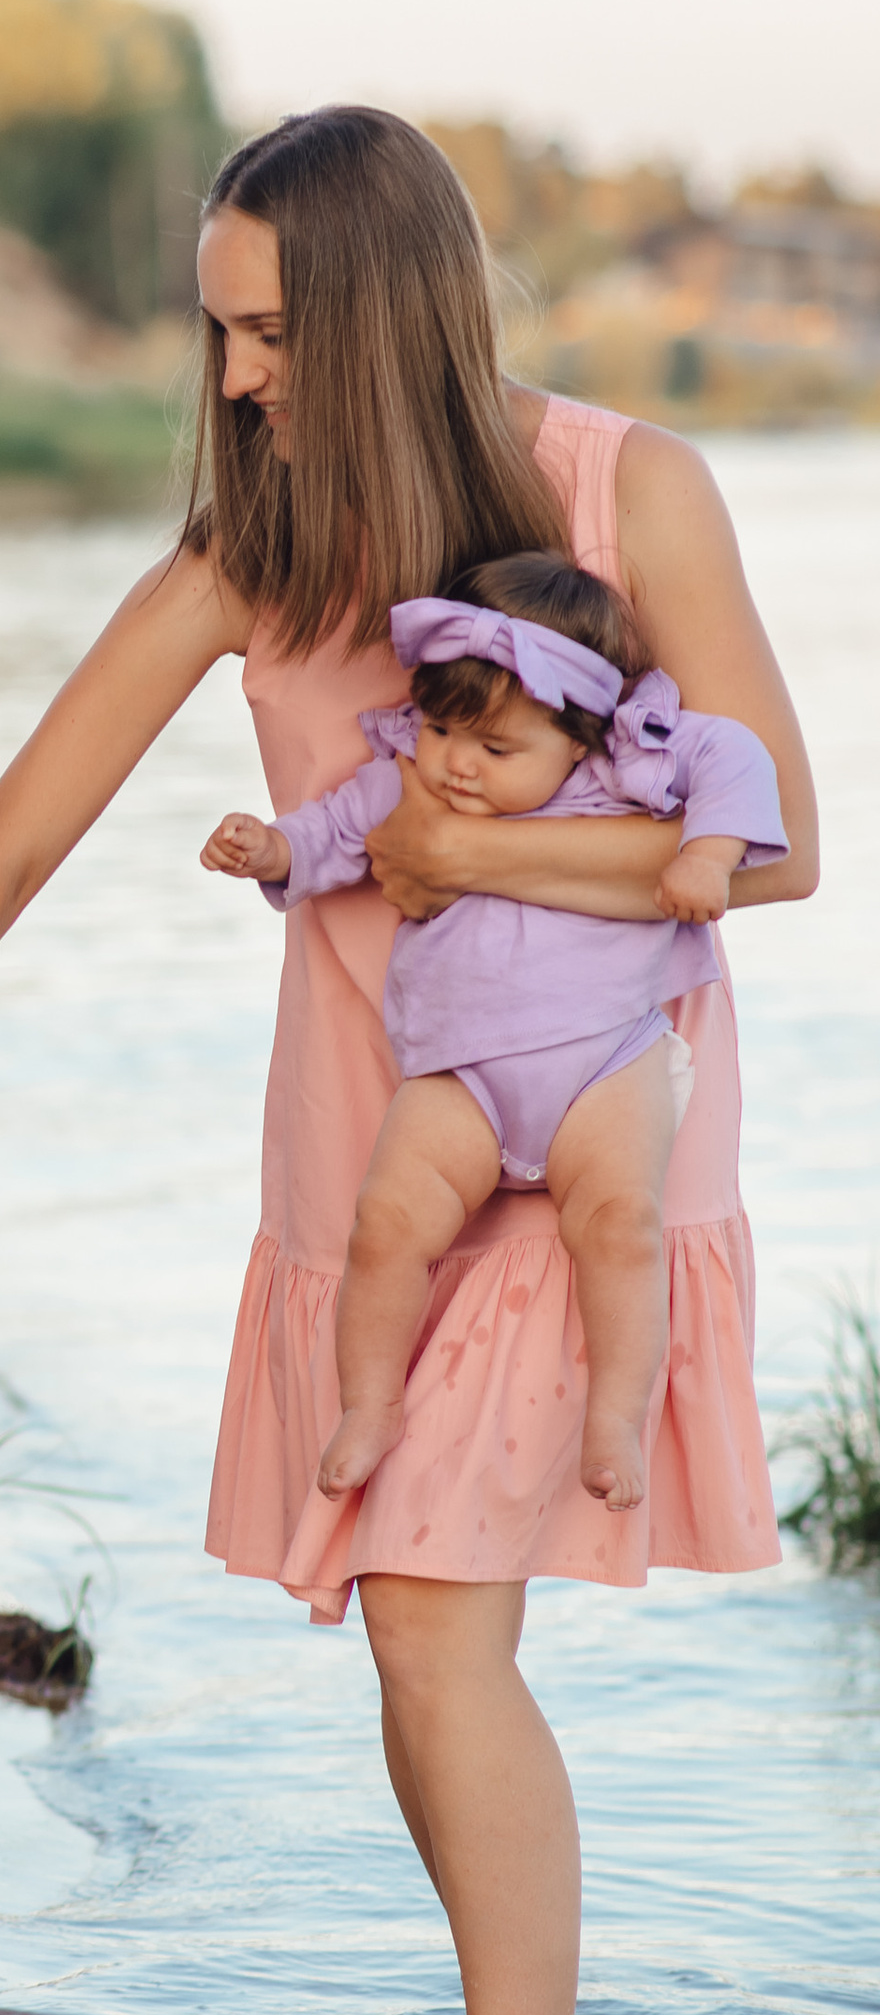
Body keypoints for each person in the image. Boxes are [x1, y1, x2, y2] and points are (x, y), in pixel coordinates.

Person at [0, 107, 819, 2015]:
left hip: (590, 1132)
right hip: (373, 1145)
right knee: (415, 1638)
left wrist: (469, 855)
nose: (231, 378)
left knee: (431, 1632)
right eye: (216, 330)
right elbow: (1, 852)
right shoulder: (250, 557)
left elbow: (779, 839)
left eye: (269, 332)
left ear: (383, 315)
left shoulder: (630, 488)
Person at [201, 555, 786, 1513]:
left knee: (621, 1229)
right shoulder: (411, 784)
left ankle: (615, 1419)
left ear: (578, 735)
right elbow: (330, 833)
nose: (456, 763)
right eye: (440, 729)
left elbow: (742, 759)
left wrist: (710, 856)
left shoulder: (628, 769)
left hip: (606, 1061)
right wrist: (269, 848)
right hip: (459, 1074)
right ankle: (370, 1403)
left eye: (495, 747)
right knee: (386, 1225)